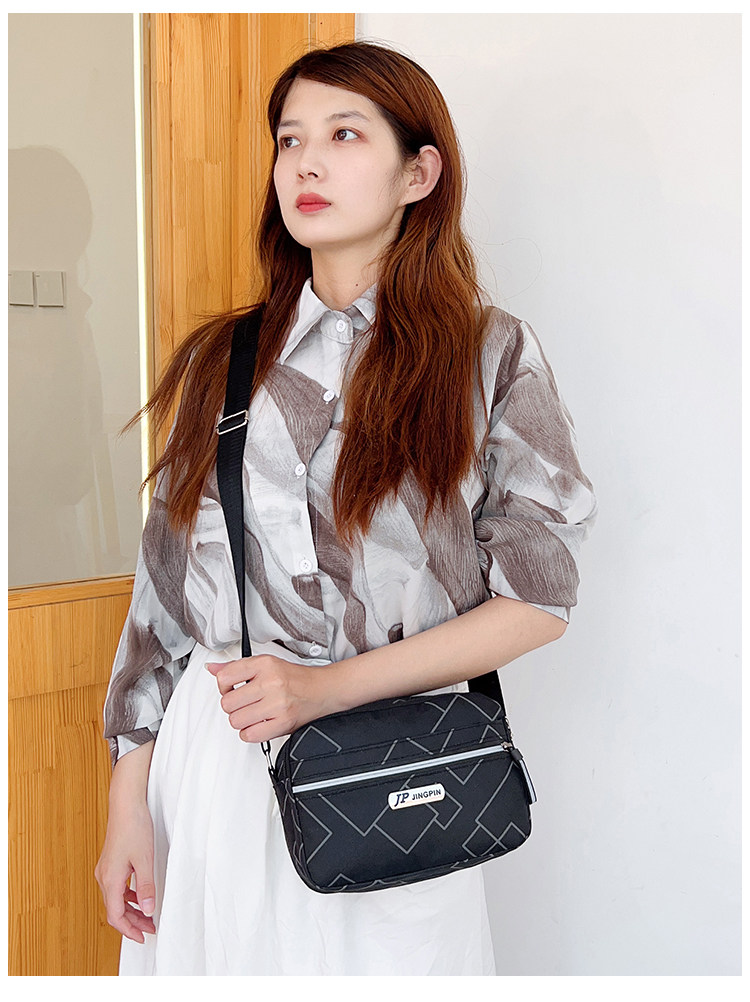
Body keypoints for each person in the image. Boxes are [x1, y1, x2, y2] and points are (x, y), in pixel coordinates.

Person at [96, 40, 597, 976]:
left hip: (397, 768)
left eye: (344, 135)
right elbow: (162, 600)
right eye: (290, 140)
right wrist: (130, 799)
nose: (306, 164)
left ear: (418, 173)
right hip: (220, 764)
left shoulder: (488, 355)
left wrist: (322, 690)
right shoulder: (224, 362)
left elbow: (540, 599)